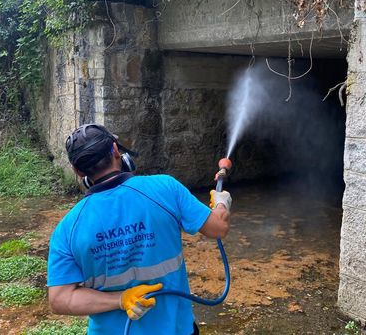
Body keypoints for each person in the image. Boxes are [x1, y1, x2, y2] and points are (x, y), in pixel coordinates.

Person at [46, 124, 232, 335]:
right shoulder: (165, 188)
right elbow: (218, 228)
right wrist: (221, 202)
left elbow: (60, 299)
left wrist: (121, 299)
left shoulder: (67, 228)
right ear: (116, 151)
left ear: (78, 171)